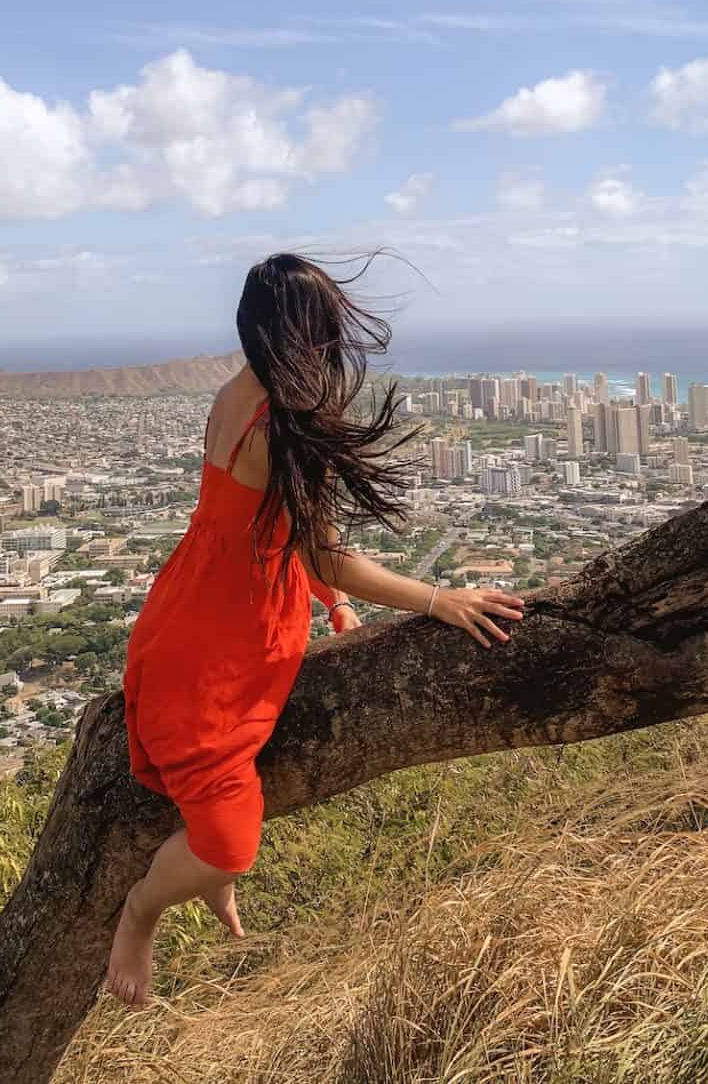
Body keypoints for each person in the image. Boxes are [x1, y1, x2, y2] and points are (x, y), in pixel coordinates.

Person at [106, 252, 525, 1006]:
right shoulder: (282, 428)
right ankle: (144, 910)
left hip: (189, 608)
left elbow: (264, 532)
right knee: (230, 843)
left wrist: (333, 608)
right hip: (219, 647)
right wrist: (437, 599)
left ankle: (204, 878)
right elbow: (324, 550)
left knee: (223, 810)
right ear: (312, 334)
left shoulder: (238, 393)